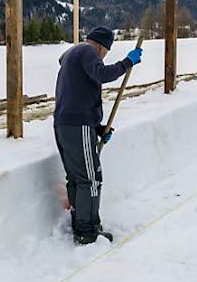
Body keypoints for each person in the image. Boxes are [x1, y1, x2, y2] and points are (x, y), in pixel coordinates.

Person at [53, 26, 142, 245]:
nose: (103, 57)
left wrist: (97, 128)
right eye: (106, 52)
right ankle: (87, 230)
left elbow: (77, 96)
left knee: (76, 177)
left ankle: (80, 222)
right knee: (91, 178)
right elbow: (101, 74)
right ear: (102, 45)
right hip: (78, 125)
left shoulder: (72, 56)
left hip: (66, 124)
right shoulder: (87, 51)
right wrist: (127, 63)